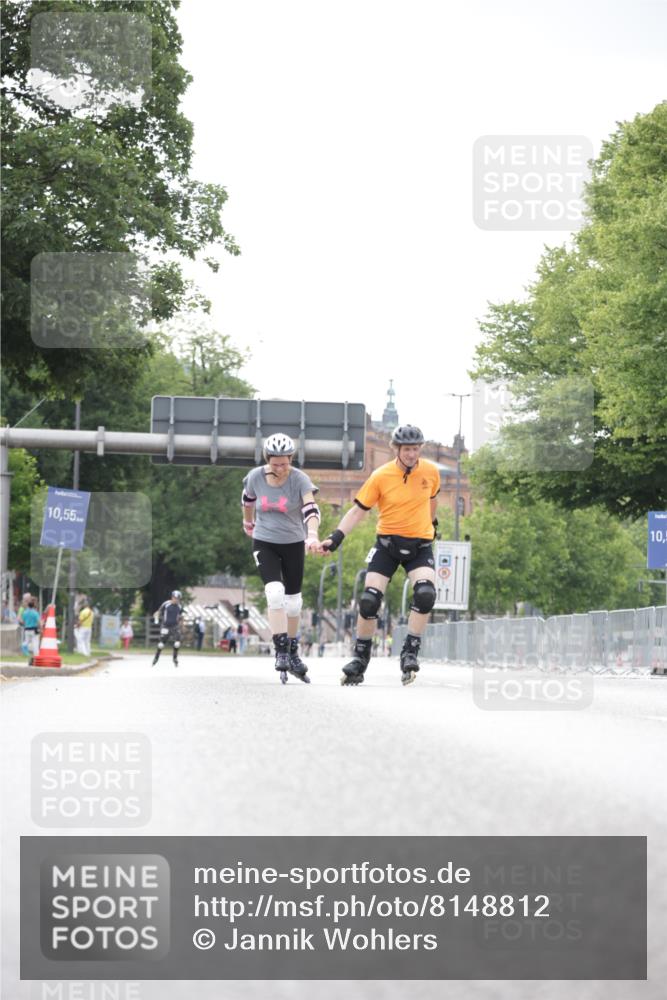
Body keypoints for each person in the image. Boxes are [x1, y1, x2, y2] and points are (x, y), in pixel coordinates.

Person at [318, 424, 440, 686]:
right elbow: (358, 511)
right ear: (396, 449)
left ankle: (410, 652)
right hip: (387, 544)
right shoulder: (380, 476)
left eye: (416, 449)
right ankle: (360, 660)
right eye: (407, 449)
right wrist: (335, 538)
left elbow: (432, 499)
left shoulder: (430, 471)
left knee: (426, 593)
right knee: (369, 600)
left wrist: (432, 526)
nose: (411, 454)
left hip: (419, 545)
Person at [242, 432, 321, 682]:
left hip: (294, 542)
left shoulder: (300, 480)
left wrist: (312, 534)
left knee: (294, 602)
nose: (281, 468)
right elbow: (248, 500)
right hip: (264, 540)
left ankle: (293, 649)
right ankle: (281, 650)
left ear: (291, 459)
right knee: (274, 592)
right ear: (268, 460)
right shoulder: (255, 477)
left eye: (285, 463)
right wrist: (247, 522)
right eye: (276, 464)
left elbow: (310, 508)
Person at [152, 590, 184, 666]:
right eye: (175, 598)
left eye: (178, 598)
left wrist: (181, 625)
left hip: (175, 626)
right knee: (161, 645)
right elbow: (158, 612)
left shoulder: (180, 606)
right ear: (172, 597)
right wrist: (156, 617)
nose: (176, 600)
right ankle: (156, 658)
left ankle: (175, 658)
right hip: (165, 626)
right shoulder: (166, 604)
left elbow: (181, 616)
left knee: (177, 643)